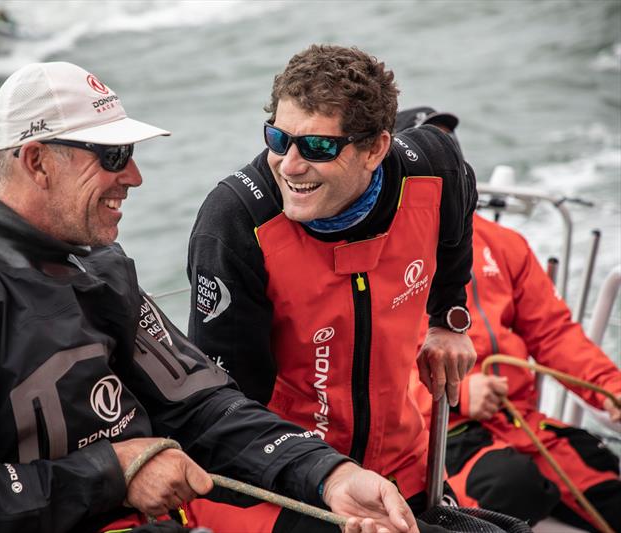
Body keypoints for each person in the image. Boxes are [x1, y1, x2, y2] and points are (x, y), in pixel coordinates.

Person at [0, 62, 419, 533]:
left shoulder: (99, 269)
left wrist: (329, 476)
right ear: (37, 161)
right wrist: (112, 472)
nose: (135, 176)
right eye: (113, 157)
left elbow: (201, 405)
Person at [186, 44, 478, 527]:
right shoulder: (237, 221)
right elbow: (226, 411)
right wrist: (326, 475)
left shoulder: (432, 166)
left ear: (375, 149)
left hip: (401, 462)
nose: (290, 165)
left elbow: (460, 203)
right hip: (272, 482)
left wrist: (449, 317)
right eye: (278, 139)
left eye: (318, 147)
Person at [410, 212, 621, 531]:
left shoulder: (503, 243)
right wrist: (459, 394)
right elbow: (365, 370)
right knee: (511, 486)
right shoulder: (382, 247)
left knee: (604, 477)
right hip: (432, 434)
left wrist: (610, 388)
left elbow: (553, 333)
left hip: (516, 422)